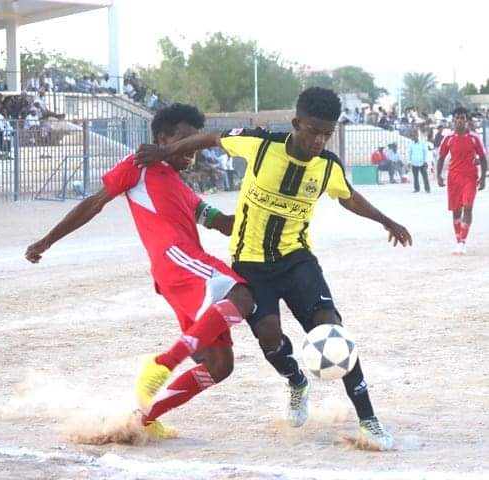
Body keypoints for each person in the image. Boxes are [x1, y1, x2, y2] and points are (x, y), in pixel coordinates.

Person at [133, 87, 412, 450]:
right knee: (269, 335)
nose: (319, 140)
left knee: (331, 330)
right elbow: (212, 137)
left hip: (297, 260)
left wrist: (386, 220)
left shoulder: (327, 166)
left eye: (327, 133)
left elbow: (348, 196)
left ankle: (369, 421)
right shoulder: (259, 145)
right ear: (296, 123)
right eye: (313, 131)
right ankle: (297, 382)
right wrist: (165, 152)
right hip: (251, 263)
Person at [25, 103, 255, 439]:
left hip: (179, 272)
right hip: (178, 259)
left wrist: (260, 203)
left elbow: (224, 224)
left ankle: (139, 420)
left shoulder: (183, 189)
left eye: (195, 142)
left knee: (220, 365)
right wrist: (48, 240)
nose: (192, 148)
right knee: (243, 297)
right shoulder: (140, 165)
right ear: (163, 139)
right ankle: (164, 362)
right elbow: (94, 203)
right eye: (185, 139)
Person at [437, 107, 487, 255]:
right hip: (453, 179)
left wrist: (483, 177)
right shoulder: (448, 138)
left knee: (468, 207)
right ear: (453, 120)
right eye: (457, 117)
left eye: (462, 118)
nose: (460, 120)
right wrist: (439, 175)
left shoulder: (474, 138)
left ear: (467, 120)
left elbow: (483, 158)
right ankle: (458, 240)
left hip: (470, 178)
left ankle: (462, 241)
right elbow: (441, 157)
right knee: (456, 211)